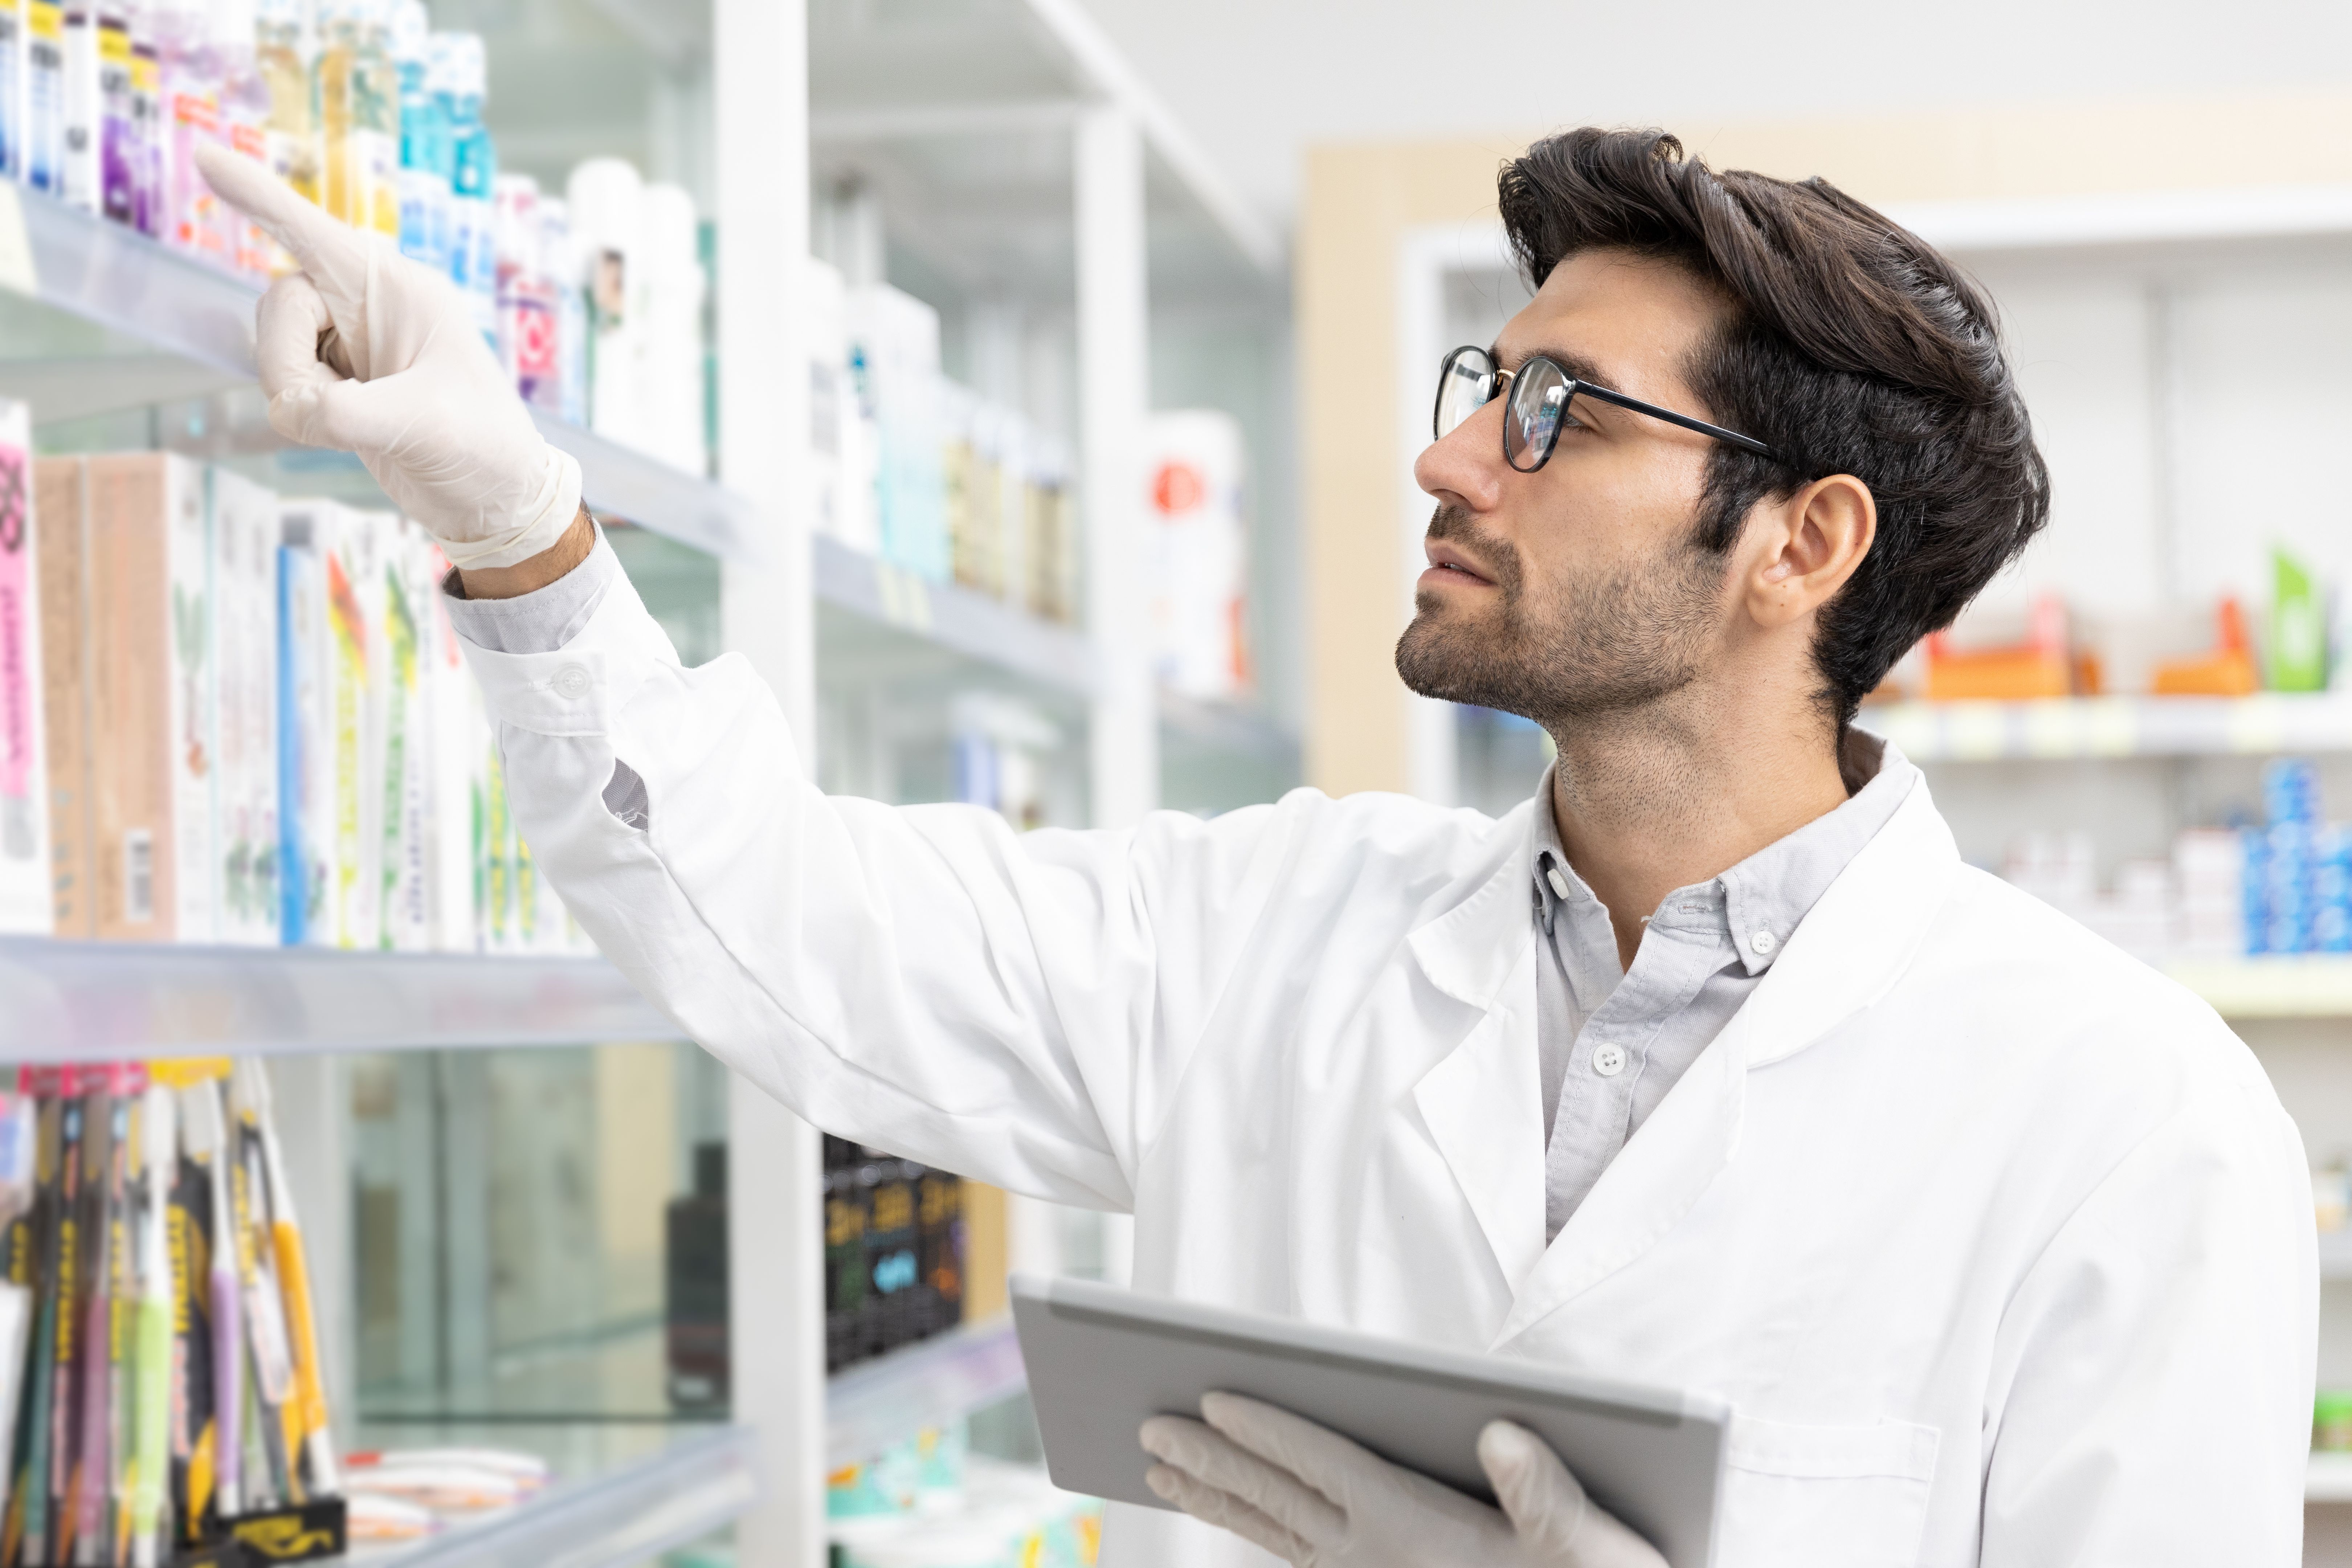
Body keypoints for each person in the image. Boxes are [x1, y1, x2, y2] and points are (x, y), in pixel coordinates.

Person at [197, 127, 2315, 1568]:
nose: (1447, 452)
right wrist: (514, 521)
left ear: (1803, 540)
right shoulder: (1274, 932)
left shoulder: (2126, 1125)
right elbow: (783, 917)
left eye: (1559, 413)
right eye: (1490, 380)